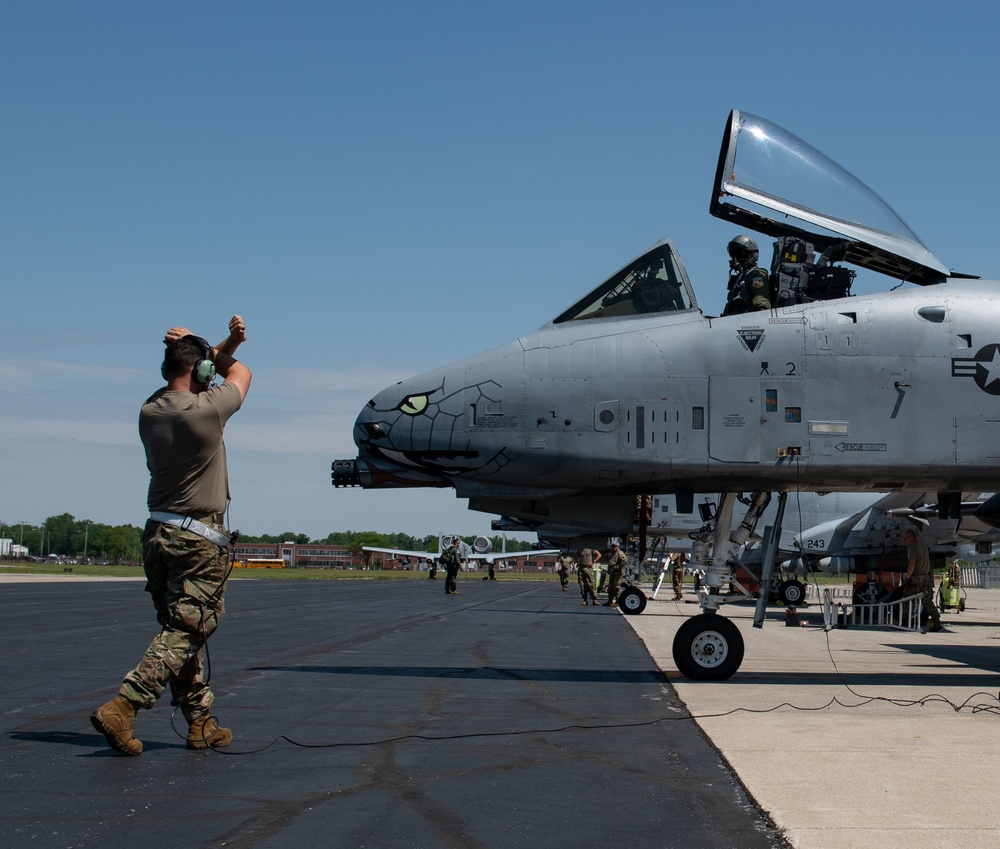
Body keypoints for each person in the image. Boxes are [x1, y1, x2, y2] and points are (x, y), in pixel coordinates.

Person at [91, 316, 252, 756]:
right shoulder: (206, 411)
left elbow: (197, 373)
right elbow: (239, 374)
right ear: (203, 373)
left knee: (179, 630)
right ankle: (125, 705)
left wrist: (208, 346)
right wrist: (218, 348)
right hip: (198, 539)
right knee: (189, 628)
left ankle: (199, 722)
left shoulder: (150, 410)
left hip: (158, 533)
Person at [902, 529, 943, 631]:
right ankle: (936, 621)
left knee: (907, 599)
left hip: (916, 578)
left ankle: (904, 623)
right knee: (927, 600)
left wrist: (908, 577)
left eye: (906, 537)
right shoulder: (923, 546)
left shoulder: (912, 548)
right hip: (926, 577)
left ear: (911, 537)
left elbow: (912, 563)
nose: (905, 540)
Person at [722, 234, 772, 316]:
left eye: (739, 253)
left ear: (750, 254)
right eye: (733, 253)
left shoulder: (756, 276)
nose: (735, 258)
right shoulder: (741, 279)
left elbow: (763, 309)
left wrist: (740, 315)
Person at [604, 542, 628, 606]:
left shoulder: (620, 553)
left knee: (617, 587)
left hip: (617, 573)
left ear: (617, 547)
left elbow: (624, 561)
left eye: (615, 546)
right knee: (611, 587)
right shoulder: (613, 553)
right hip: (612, 573)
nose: (613, 547)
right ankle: (610, 600)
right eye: (613, 546)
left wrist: (618, 566)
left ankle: (618, 601)